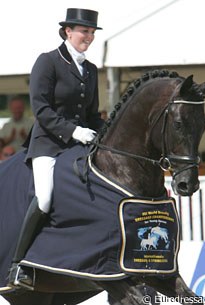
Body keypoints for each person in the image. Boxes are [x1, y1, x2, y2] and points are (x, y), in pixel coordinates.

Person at [8, 8, 104, 289]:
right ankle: (18, 265)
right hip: (48, 143)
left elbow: (93, 114)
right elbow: (41, 108)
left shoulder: (91, 69)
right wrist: (74, 130)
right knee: (45, 197)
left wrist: (105, 132)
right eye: (84, 31)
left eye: (92, 33)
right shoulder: (48, 61)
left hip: (80, 146)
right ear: (67, 31)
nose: (88, 37)